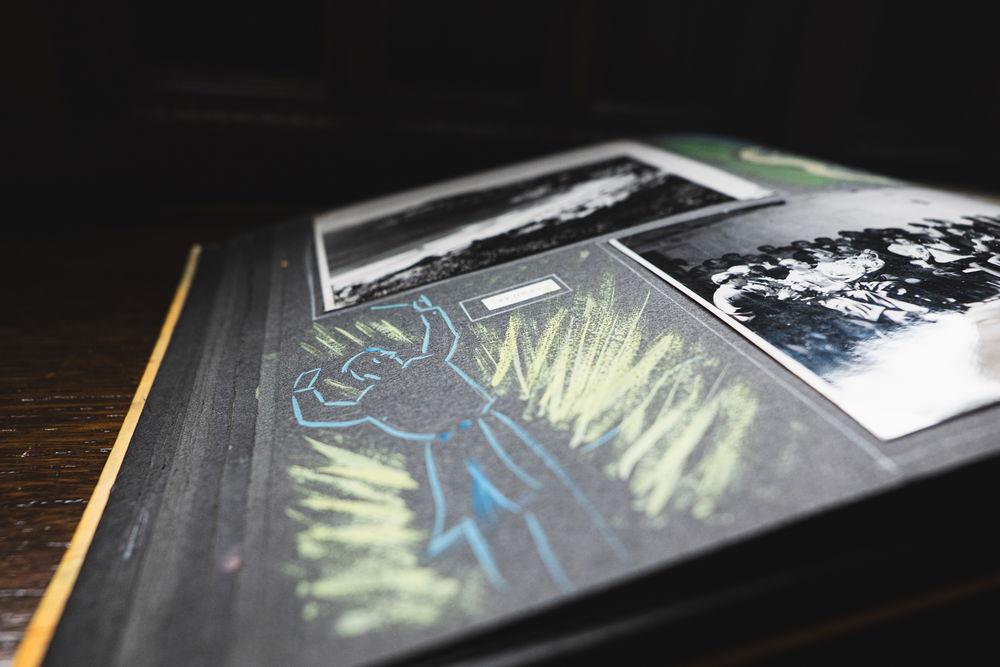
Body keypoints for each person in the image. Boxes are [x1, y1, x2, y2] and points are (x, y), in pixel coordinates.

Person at [291, 295, 627, 593]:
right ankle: (519, 570)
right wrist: (307, 391)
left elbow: (443, 337)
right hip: (449, 453)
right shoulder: (373, 400)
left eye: (381, 355)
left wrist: (427, 310)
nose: (382, 359)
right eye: (371, 363)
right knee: (481, 516)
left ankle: (584, 546)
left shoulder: (425, 362)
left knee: (538, 484)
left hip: (490, 432)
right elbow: (328, 414)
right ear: (365, 375)